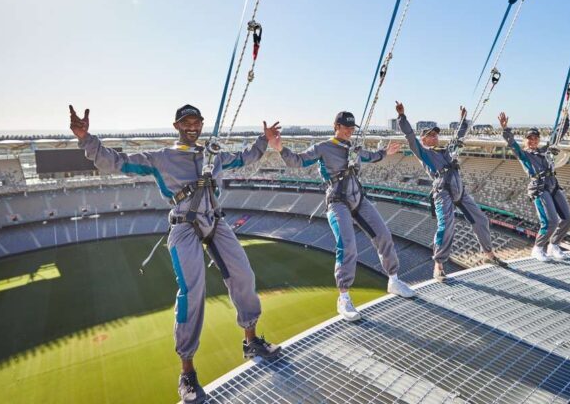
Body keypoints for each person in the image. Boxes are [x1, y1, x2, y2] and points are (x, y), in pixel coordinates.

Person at [69, 104, 282, 404]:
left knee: (243, 274)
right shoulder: (162, 158)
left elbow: (245, 157)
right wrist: (86, 138)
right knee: (192, 292)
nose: (192, 126)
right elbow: (116, 162)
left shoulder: (213, 154)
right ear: (176, 126)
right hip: (184, 226)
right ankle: (187, 371)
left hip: (215, 221)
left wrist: (264, 140)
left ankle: (251, 341)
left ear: (202, 124)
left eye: (196, 121)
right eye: (186, 122)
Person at [270, 111, 415, 321]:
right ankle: (344, 298)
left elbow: (370, 156)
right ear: (336, 126)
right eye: (345, 127)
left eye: (351, 128)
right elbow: (298, 161)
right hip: (338, 202)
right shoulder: (323, 147)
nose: (349, 131)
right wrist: (281, 149)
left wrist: (385, 152)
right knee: (347, 245)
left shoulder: (353, 148)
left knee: (383, 235)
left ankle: (393, 280)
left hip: (358, 199)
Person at [396, 102, 501, 282]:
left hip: (459, 189)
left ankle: (489, 254)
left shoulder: (447, 150)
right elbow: (410, 136)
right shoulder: (424, 152)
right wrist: (402, 117)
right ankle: (439, 265)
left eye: (436, 134)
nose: (435, 137)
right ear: (424, 140)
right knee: (446, 226)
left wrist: (462, 121)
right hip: (443, 191)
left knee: (481, 220)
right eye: (430, 135)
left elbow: (458, 136)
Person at [499, 112, 570, 262]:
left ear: (538, 139)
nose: (532, 140)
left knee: (567, 219)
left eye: (535, 138)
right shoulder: (524, 155)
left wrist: (565, 120)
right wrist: (506, 129)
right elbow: (512, 144)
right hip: (539, 187)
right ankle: (538, 248)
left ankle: (554, 245)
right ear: (526, 141)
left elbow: (557, 135)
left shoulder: (545, 151)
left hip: (553, 184)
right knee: (551, 221)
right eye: (529, 138)